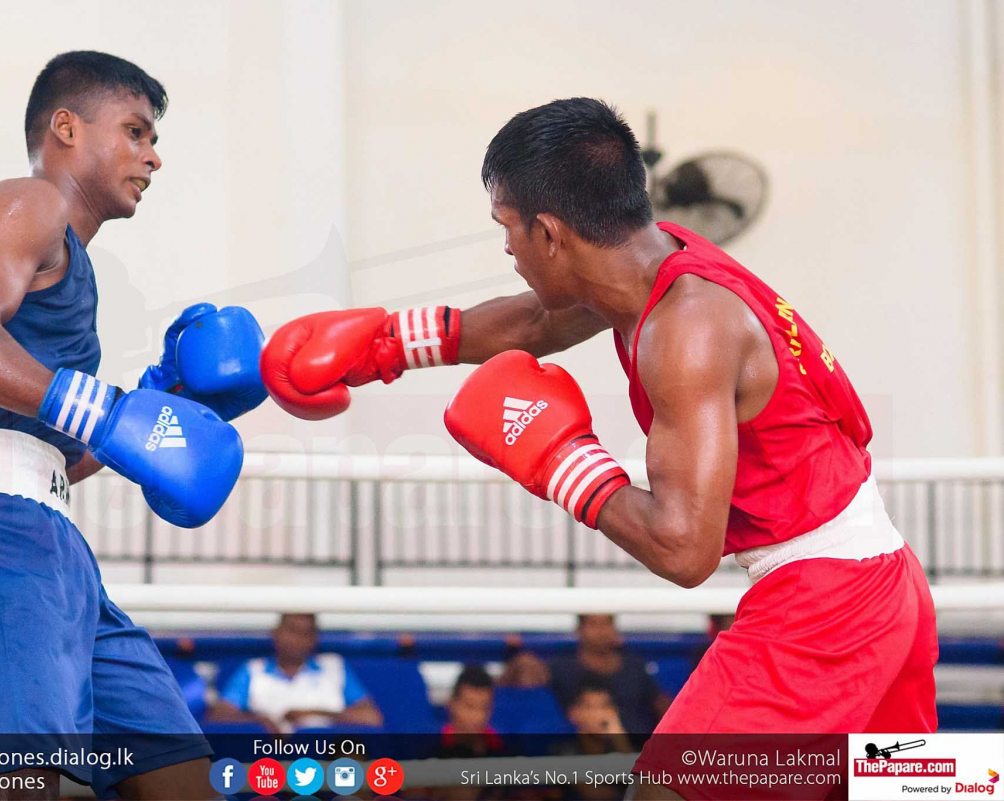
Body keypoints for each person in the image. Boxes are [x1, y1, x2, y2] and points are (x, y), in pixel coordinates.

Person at [259, 97, 937, 799]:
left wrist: (560, 461)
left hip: (828, 602)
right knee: (899, 788)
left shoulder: (689, 330)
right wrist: (388, 344)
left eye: (507, 227)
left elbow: (684, 549)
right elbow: (535, 321)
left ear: (549, 232)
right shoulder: (653, 261)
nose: (507, 249)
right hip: (875, 581)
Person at [0, 51, 264, 800]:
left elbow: (56, 456)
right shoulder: (27, 202)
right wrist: (107, 410)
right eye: (136, 131)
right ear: (66, 127)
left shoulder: (66, 261)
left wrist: (159, 396)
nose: (153, 156)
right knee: (23, 781)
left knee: (180, 779)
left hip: (51, 537)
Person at [208, 613, 383, 733]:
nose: (299, 639)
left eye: (306, 633)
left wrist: (314, 715)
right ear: (276, 633)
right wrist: (260, 722)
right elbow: (220, 716)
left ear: (315, 638)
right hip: (268, 762)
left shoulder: (334, 667)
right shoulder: (253, 670)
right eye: (292, 631)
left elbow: (371, 718)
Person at [545, 614, 669, 736]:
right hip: (585, 743)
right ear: (579, 629)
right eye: (594, 624)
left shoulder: (634, 665)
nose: (602, 631)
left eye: (607, 624)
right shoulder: (562, 668)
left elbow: (660, 703)